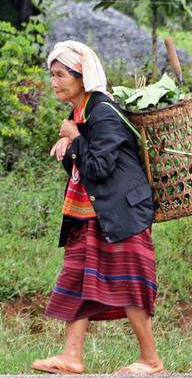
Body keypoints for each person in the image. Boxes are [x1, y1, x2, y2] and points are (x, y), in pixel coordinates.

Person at [31, 41, 164, 375]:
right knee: (77, 280)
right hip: (89, 214)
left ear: (82, 76)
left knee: (130, 284)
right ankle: (71, 357)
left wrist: (74, 138)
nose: (54, 82)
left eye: (61, 75)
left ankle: (151, 361)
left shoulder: (104, 111)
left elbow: (99, 167)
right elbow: (81, 168)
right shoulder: (80, 113)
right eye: (52, 75)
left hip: (120, 214)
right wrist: (71, 142)